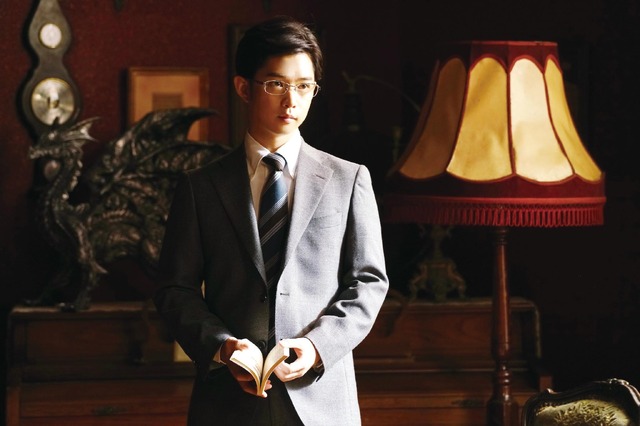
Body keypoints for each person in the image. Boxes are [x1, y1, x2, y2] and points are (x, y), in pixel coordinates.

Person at [153, 16, 389, 426]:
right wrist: (221, 347)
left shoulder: (348, 179)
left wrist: (317, 346)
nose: (291, 100)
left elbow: (368, 282)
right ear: (244, 87)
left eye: (304, 86)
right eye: (276, 84)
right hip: (226, 404)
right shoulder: (200, 186)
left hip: (321, 401)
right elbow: (176, 289)